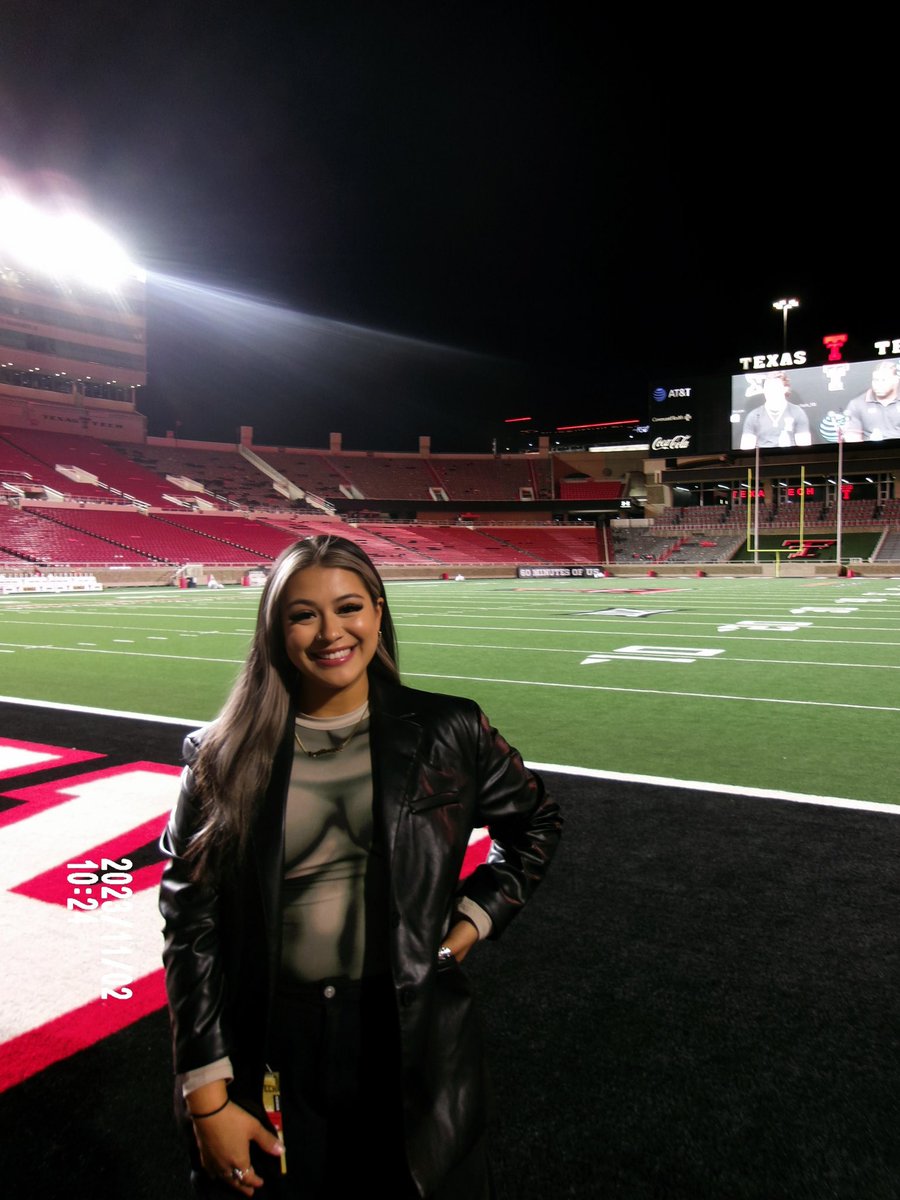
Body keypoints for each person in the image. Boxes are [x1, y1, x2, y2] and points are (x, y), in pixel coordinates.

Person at [158, 534, 562, 1200]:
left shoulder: (450, 730)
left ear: (377, 610)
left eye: (348, 607)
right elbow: (189, 921)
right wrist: (206, 1095)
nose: (330, 633)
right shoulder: (220, 755)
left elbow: (535, 824)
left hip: (411, 1031)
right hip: (275, 1037)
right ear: (275, 629)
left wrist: (473, 920)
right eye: (303, 615)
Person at [739, 371, 812, 449]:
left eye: (775, 387)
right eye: (768, 388)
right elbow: (746, 448)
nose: (771, 391)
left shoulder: (797, 412)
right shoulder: (753, 416)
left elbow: (805, 447)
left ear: (785, 389)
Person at [838, 360, 900, 442]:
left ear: (896, 380)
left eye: (884, 380)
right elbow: (852, 437)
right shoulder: (857, 404)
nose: (878, 385)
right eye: (875, 380)